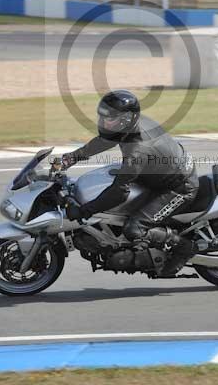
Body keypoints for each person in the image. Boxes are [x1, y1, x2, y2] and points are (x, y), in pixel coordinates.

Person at [62, 90, 199, 277]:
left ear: (125, 119)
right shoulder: (129, 127)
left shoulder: (137, 151)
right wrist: (72, 157)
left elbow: (118, 193)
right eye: (102, 117)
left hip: (179, 188)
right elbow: (106, 140)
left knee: (135, 228)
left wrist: (85, 211)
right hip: (157, 174)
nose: (104, 122)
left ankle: (184, 247)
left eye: (109, 119)